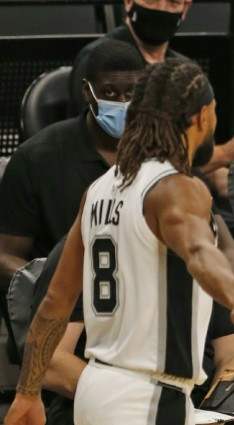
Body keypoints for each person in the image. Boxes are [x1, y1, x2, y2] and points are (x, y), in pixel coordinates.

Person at [2, 58, 234, 425]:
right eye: (215, 112)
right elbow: (200, 253)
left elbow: (54, 304)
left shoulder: (100, 190)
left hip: (94, 394)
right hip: (146, 399)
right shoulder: (179, 187)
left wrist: (26, 393)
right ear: (202, 117)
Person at [28, 236, 234, 425]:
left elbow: (231, 351)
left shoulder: (198, 250)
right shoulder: (91, 246)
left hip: (196, 404)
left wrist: (220, 409)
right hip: (104, 405)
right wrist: (142, 403)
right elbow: (52, 363)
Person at [0, 40, 147, 363]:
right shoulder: (36, 158)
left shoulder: (159, 151)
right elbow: (6, 256)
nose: (122, 103)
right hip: (72, 324)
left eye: (132, 94)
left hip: (147, 317)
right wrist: (71, 287)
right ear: (86, 91)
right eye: (109, 93)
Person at [68, 0, 234, 175]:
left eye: (172, 2)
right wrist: (225, 153)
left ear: (185, 8)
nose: (161, 8)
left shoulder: (185, 72)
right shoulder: (103, 64)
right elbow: (122, 161)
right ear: (129, 2)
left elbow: (197, 161)